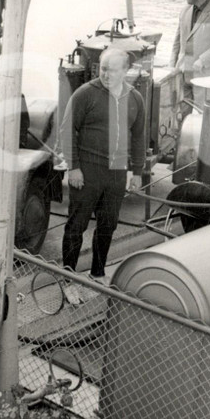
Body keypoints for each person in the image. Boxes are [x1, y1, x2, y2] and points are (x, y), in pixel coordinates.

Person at [59, 49, 145, 304]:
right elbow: (66, 130)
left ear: (125, 70)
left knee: (108, 224)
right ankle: (68, 278)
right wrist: (73, 167)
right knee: (77, 225)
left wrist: (137, 172)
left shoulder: (135, 98)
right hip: (88, 169)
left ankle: (97, 273)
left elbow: (138, 137)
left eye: (112, 69)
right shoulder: (86, 93)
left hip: (117, 172)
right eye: (102, 68)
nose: (105, 74)